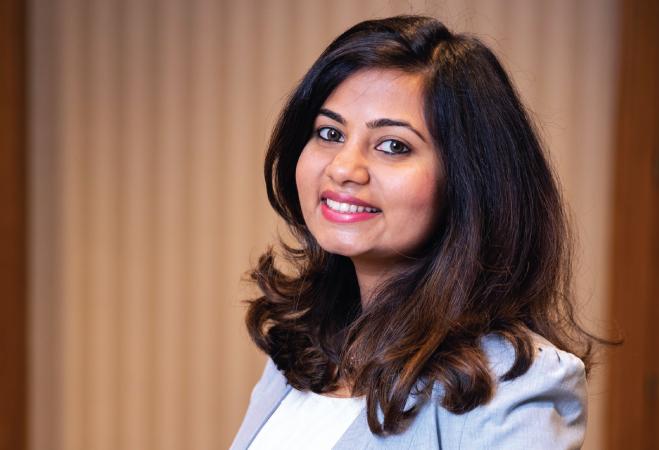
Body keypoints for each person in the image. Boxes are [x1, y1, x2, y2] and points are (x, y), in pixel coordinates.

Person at [230, 15, 604, 449]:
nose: (343, 168)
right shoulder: (300, 350)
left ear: (467, 180)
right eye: (329, 133)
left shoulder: (511, 385)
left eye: (393, 145)